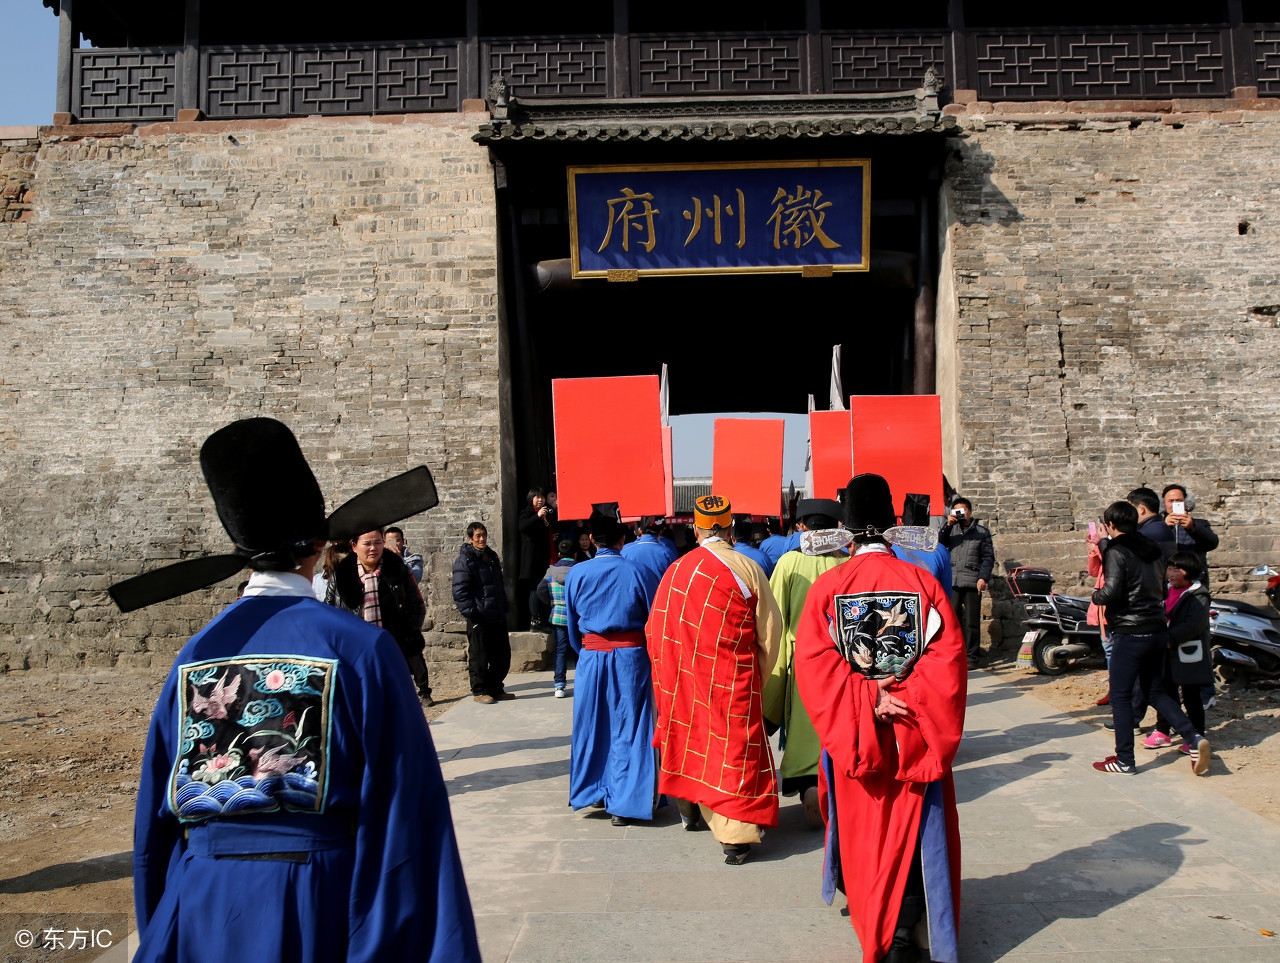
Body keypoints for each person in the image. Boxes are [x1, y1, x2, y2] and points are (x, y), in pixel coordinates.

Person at [125, 417, 480, 963]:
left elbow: (155, 820)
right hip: (314, 901)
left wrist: (163, 927)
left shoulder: (196, 654)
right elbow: (406, 815)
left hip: (200, 906)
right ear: (321, 544)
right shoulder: (360, 649)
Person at [795, 474, 966, 963]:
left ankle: (880, 926)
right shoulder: (922, 583)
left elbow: (813, 664)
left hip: (857, 733)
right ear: (893, 522)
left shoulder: (829, 587)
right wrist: (904, 695)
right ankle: (913, 925)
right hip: (916, 727)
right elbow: (949, 659)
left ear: (846, 530)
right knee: (915, 834)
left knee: (863, 828)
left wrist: (868, 696)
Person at [647, 494, 782, 865]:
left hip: (685, 678)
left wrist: (672, 673)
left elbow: (655, 630)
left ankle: (690, 808)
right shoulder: (746, 567)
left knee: (690, 737)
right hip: (730, 678)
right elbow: (770, 631)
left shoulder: (676, 570)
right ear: (729, 528)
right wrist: (758, 674)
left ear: (695, 528)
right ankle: (735, 836)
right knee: (733, 749)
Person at [1091, 500, 1211, 775]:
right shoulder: (1153, 549)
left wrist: (1096, 596)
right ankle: (1193, 737)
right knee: (1155, 691)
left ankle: (1124, 759)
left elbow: (1110, 591)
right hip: (1157, 629)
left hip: (1130, 631)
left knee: (1120, 696)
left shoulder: (1118, 550)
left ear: (1110, 525)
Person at [564, 503, 656, 826]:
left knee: (592, 725)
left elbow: (572, 627)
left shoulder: (576, 573)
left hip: (591, 657)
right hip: (631, 657)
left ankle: (594, 791)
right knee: (630, 726)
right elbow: (653, 621)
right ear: (621, 539)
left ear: (591, 538)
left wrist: (587, 650)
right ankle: (625, 800)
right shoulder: (637, 572)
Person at [763, 498, 847, 830]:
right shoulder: (844, 563)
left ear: (801, 528)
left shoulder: (788, 563)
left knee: (804, 724)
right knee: (835, 724)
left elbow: (774, 618)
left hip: (802, 660)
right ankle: (832, 784)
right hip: (839, 659)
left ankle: (809, 785)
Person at [332, 527, 433, 707]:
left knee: (395, 702)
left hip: (392, 648)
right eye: (367, 544)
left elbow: (417, 605)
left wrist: (408, 634)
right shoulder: (342, 576)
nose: (373, 548)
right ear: (354, 546)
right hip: (356, 652)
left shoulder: (398, 571)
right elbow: (331, 611)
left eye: (378, 542)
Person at [1141, 550, 1214, 755]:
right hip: (1166, 652)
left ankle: (1196, 733)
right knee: (1165, 691)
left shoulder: (1198, 594)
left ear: (1189, 572)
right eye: (1170, 568)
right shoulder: (1166, 590)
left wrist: (1170, 639)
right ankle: (1163, 731)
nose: (1171, 573)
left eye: (1177, 569)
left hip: (1187, 652)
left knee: (1191, 695)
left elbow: (1195, 625)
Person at [451, 521, 513, 705]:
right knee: (479, 655)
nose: (482, 539)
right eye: (477, 536)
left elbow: (498, 585)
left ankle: (495, 687)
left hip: (497, 614)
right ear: (470, 538)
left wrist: (504, 607)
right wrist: (473, 613)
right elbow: (460, 591)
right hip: (479, 616)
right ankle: (479, 690)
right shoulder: (465, 561)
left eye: (483, 535)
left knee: (501, 654)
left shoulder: (491, 557)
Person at [939, 496, 994, 669]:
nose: (960, 514)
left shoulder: (982, 532)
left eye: (962, 511)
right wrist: (947, 525)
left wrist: (983, 577)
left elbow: (988, 558)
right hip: (953, 580)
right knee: (952, 620)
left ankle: (971, 657)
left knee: (972, 622)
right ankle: (955, 654)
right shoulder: (951, 530)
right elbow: (939, 544)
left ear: (969, 511)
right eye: (956, 511)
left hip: (972, 581)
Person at [540, 538, 577, 698]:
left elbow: (540, 591)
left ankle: (559, 685)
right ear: (575, 554)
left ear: (560, 554)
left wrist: (552, 603)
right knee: (579, 650)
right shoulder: (579, 570)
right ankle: (582, 682)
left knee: (560, 650)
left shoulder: (550, 572)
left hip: (558, 616)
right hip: (577, 617)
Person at [1161, 483, 1219, 583]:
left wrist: (1193, 527)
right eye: (1171, 501)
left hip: (1194, 580)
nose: (1175, 504)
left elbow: (1212, 543)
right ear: (1164, 504)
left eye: (1179, 500)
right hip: (1165, 580)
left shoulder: (1200, 524)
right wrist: (1163, 528)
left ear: (1186, 502)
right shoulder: (1158, 526)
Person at [620, 516, 678, 604]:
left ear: (640, 530)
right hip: (659, 603)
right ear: (660, 531)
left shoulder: (625, 550)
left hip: (631, 604)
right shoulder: (667, 553)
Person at [517, 487, 553, 629]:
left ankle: (541, 620)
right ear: (531, 498)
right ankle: (534, 620)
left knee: (541, 587)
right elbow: (522, 527)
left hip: (541, 558)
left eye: (542, 497)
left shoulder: (544, 514)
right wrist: (537, 516)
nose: (540, 500)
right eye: (537, 497)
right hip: (531, 560)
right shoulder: (527, 513)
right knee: (535, 588)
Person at [1127, 487, 1175, 564]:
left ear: (1141, 509)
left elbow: (1123, 559)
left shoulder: (1148, 533)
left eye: (1130, 509)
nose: (1128, 514)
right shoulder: (1159, 526)